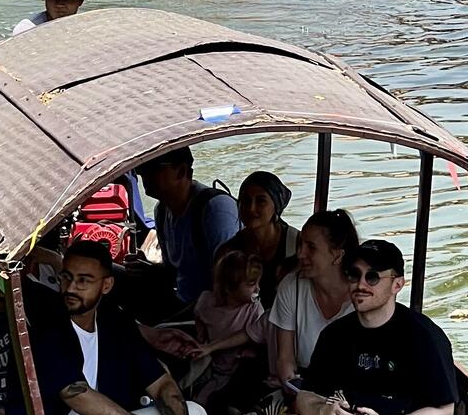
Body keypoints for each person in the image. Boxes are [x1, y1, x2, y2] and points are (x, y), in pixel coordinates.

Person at [265, 238, 459, 415]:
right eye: (354, 275)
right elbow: (305, 398)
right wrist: (323, 412)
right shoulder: (336, 335)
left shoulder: (424, 336)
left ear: (397, 284)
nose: (361, 284)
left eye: (372, 277)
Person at [29, 240, 207, 415]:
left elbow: (161, 383)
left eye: (84, 280)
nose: (71, 288)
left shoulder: (113, 321)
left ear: (106, 285)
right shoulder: (49, 326)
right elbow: (77, 394)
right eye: (66, 277)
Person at [137, 146, 240, 313]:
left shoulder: (215, 209)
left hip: (215, 311)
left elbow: (229, 283)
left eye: (151, 168)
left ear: (182, 172)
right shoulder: (162, 211)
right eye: (140, 169)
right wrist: (147, 269)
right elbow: (173, 272)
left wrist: (175, 320)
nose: (142, 174)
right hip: (182, 301)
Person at [268, 208, 360, 391]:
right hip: (305, 387)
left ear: (337, 255)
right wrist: (294, 389)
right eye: (300, 244)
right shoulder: (291, 286)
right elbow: (285, 358)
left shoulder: (361, 296)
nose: (300, 254)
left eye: (311, 247)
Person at [192, 248, 267, 401]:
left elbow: (255, 337)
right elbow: (198, 315)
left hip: (235, 374)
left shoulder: (255, 310)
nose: (258, 289)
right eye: (251, 284)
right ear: (229, 288)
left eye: (258, 283)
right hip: (208, 365)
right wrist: (201, 335)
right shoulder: (207, 302)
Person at [216, 170, 299, 308]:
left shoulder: (298, 245)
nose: (251, 208)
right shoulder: (227, 252)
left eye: (261, 201)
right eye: (246, 200)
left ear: (276, 206)